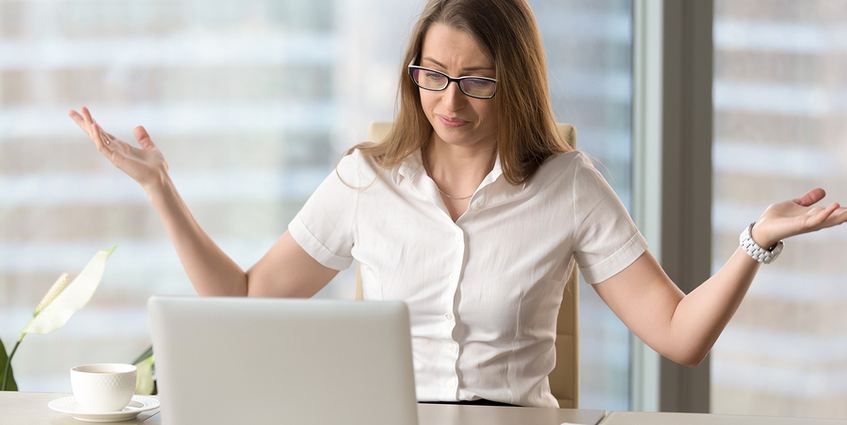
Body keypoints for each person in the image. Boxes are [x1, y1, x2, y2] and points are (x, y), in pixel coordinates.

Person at [68, 0, 846, 408]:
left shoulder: (567, 183)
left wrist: (754, 240)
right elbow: (242, 298)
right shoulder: (366, 180)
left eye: (476, 79)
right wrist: (159, 188)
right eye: (432, 74)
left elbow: (678, 336)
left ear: (515, 82)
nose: (450, 99)